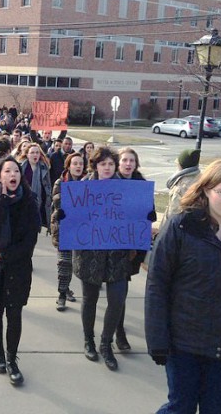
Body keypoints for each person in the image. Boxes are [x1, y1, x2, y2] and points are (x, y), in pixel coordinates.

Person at [145, 160, 221, 414]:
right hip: (183, 342)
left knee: (218, 408)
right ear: (206, 190)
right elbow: (158, 284)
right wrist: (157, 338)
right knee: (181, 407)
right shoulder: (181, 226)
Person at [0, 156, 41, 386]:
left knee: (14, 314)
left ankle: (12, 359)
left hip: (18, 266)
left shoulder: (29, 202)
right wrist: (1, 201)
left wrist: (7, 255)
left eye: (16, 171)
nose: (13, 175)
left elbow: (31, 239)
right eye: (8, 171)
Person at [72, 146, 133, 371]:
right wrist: (64, 214)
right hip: (90, 255)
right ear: (95, 166)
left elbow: (136, 216)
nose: (107, 168)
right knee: (90, 300)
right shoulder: (82, 189)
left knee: (117, 300)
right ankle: (89, 339)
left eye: (110, 164)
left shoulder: (126, 189)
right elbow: (72, 217)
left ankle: (106, 343)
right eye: (103, 164)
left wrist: (145, 214)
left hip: (117, 255)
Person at [114, 146, 157, 352]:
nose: (128, 164)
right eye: (124, 160)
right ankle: (115, 328)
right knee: (115, 289)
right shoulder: (108, 183)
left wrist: (148, 216)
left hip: (130, 247)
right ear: (118, 163)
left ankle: (118, 329)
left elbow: (150, 214)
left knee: (121, 288)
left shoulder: (142, 186)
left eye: (131, 160)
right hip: (109, 245)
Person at [50, 152, 85, 311]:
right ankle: (62, 294)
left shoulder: (89, 182)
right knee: (64, 263)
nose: (78, 166)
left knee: (75, 264)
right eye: (75, 163)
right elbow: (56, 198)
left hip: (82, 230)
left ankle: (66, 287)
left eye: (81, 163)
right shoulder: (60, 182)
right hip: (64, 228)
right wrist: (61, 206)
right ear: (69, 166)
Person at [160, 148, 202, 227]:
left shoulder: (182, 186)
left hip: (176, 230)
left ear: (182, 165)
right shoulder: (200, 178)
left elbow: (173, 212)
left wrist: (164, 231)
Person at [20, 143, 52, 234]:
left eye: (37, 152)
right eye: (32, 152)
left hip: (40, 202)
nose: (35, 155)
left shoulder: (44, 168)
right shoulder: (21, 167)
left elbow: (48, 185)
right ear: (27, 154)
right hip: (24, 201)